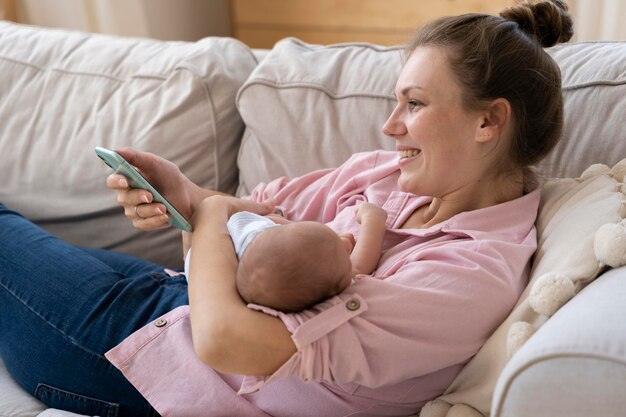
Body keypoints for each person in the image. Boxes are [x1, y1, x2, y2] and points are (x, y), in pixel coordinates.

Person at [0, 1, 574, 416]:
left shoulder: (464, 278)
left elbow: (224, 341)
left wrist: (214, 215)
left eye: (414, 104)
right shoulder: (387, 173)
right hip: (167, 298)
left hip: (140, 365)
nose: (390, 125)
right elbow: (247, 217)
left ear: (489, 121)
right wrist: (187, 196)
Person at [218, 202, 387, 313]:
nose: (347, 239)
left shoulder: (247, 235)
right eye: (344, 254)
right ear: (334, 290)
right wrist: (373, 219)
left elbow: (277, 229)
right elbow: (360, 264)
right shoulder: (332, 283)